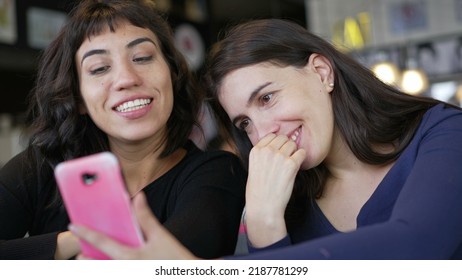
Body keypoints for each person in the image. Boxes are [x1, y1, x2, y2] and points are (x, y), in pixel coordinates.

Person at [70, 18, 462, 260]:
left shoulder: (442, 132)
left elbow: (415, 247)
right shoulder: (291, 203)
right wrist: (265, 224)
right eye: (244, 123)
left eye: (267, 97)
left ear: (322, 72)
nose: (263, 133)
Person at [0, 0, 246, 260]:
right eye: (99, 68)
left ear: (172, 75)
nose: (127, 79)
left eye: (142, 58)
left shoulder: (218, 172)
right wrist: (76, 240)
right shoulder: (42, 167)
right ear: (79, 99)